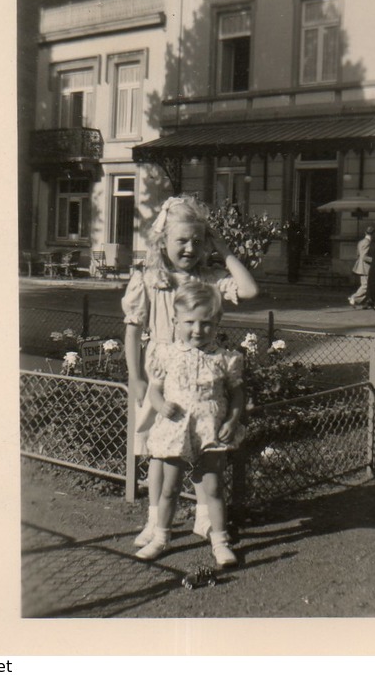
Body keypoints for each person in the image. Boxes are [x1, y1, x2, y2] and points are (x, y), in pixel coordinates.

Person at [123, 194, 258, 548]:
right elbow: (133, 330)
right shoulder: (150, 278)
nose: (189, 248)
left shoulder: (211, 279)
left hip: (201, 376)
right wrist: (136, 377)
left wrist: (222, 248)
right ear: (162, 240)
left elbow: (249, 289)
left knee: (205, 442)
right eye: (181, 240)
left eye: (197, 241)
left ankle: (204, 516)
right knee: (159, 449)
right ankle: (155, 520)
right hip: (162, 376)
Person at [134, 279, 245, 567]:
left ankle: (220, 541)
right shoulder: (166, 354)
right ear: (176, 321)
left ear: (218, 321)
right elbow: (154, 389)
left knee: (213, 488)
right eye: (190, 322)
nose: (198, 330)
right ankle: (161, 537)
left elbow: (237, 394)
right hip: (175, 430)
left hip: (210, 431)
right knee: (169, 489)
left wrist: (233, 420)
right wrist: (160, 405)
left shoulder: (224, 359)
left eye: (206, 323)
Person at [348, 225, 375, 307]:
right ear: (373, 234)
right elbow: (364, 257)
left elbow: (358, 254)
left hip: (361, 266)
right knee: (366, 285)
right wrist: (374, 260)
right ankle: (354, 298)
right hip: (365, 267)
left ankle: (366, 303)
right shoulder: (367, 242)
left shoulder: (361, 242)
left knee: (367, 285)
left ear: (365, 232)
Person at [285, 216, 304, 283]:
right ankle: (292, 279)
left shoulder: (297, 228)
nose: (296, 221)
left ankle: (294, 278)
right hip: (293, 248)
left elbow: (300, 237)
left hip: (295, 248)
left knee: (295, 264)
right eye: (295, 220)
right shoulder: (291, 228)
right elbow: (291, 237)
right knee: (293, 264)